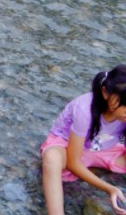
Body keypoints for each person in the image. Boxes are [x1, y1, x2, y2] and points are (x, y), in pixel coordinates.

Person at [41, 66, 126, 215]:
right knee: (52, 158)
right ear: (106, 93)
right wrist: (109, 188)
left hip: (100, 149)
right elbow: (73, 163)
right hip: (67, 149)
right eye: (124, 104)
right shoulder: (84, 109)